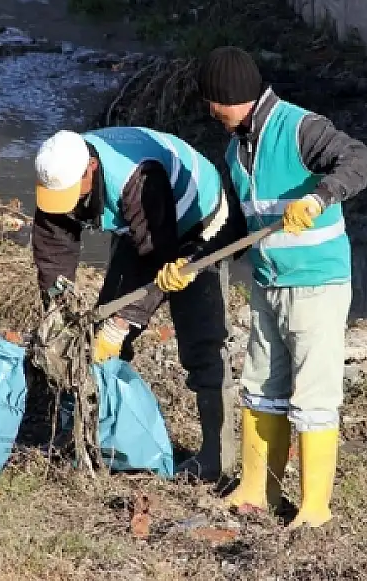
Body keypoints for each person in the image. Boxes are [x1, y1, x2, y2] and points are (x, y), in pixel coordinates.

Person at [178, 45, 367, 528]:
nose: (209, 111)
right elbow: (240, 230)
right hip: (268, 283)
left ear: (233, 97)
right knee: (260, 388)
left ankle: (313, 508)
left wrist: (317, 197)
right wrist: (190, 263)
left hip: (316, 283)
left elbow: (360, 160)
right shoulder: (235, 148)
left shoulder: (300, 128)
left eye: (212, 102)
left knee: (313, 396)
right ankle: (256, 489)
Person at [31, 125, 246, 483]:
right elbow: (53, 252)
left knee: (201, 341)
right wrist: (59, 311)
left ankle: (216, 461)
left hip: (199, 223)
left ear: (92, 170)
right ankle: (99, 436)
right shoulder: (60, 171)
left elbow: (154, 259)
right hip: (143, 227)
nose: (64, 203)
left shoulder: (138, 178)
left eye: (71, 193)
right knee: (96, 338)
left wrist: (119, 325)